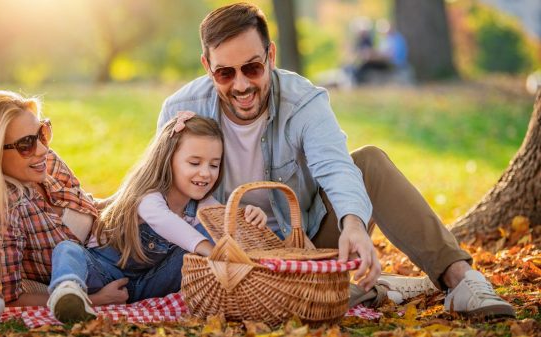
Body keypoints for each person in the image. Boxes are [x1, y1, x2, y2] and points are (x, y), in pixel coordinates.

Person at [158, 2, 514, 318]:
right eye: (225, 73)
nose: (240, 86)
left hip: (307, 245)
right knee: (278, 308)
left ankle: (460, 279)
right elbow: (156, 191)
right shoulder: (181, 111)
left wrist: (354, 224)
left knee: (370, 162)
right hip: (224, 256)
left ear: (271, 55)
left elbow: (336, 167)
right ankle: (368, 292)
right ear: (207, 66)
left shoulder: (303, 101)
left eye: (252, 68)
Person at [46, 112, 267, 322]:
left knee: (202, 239)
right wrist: (210, 250)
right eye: (194, 163)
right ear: (168, 160)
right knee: (67, 249)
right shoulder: (149, 198)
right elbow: (166, 222)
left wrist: (247, 217)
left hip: (149, 286)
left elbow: (225, 224)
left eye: (214, 165)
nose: (206, 173)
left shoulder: (202, 204)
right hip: (102, 272)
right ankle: (68, 293)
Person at [0, 90, 129, 307]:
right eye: (26, 144)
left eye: (42, 132)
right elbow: (9, 297)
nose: (43, 149)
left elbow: (89, 205)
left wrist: (133, 199)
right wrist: (95, 300)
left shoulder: (47, 164)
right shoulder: (2, 212)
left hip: (124, 247)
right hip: (112, 278)